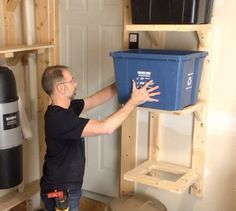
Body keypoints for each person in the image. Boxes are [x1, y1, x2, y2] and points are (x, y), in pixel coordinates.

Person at [40, 65, 160, 211]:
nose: (75, 83)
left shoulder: (68, 107)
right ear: (61, 88)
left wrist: (122, 82)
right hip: (60, 192)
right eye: (71, 81)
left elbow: (95, 99)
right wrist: (133, 102)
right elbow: (106, 127)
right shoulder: (59, 118)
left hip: (66, 188)